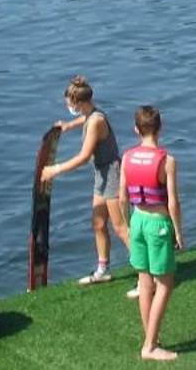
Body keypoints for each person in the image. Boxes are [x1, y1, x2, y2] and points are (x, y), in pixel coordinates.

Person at [44, 76, 127, 283]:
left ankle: (147, 274)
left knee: (120, 227)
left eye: (70, 104)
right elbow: (84, 119)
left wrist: (55, 170)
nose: (69, 107)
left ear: (79, 103)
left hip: (112, 174)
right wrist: (68, 125)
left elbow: (83, 157)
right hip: (102, 174)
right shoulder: (91, 114)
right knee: (98, 224)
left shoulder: (96, 122)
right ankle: (102, 269)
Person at [120, 105, 183, 361]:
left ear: (136, 129)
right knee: (165, 284)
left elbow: (122, 196)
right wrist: (178, 231)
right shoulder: (167, 161)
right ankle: (150, 347)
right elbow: (173, 202)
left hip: (137, 219)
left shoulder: (127, 157)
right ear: (160, 127)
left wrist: (127, 223)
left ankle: (151, 338)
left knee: (145, 282)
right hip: (158, 223)